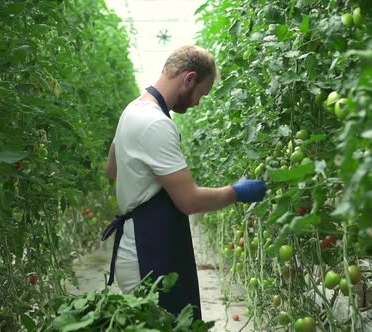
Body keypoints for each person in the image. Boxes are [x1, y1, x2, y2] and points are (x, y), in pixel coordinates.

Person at [102, 45, 266, 320]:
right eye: (202, 93)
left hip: (140, 243)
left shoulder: (133, 109)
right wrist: (237, 192)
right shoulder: (156, 124)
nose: (198, 102)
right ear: (189, 79)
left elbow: (112, 168)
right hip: (148, 253)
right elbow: (188, 201)